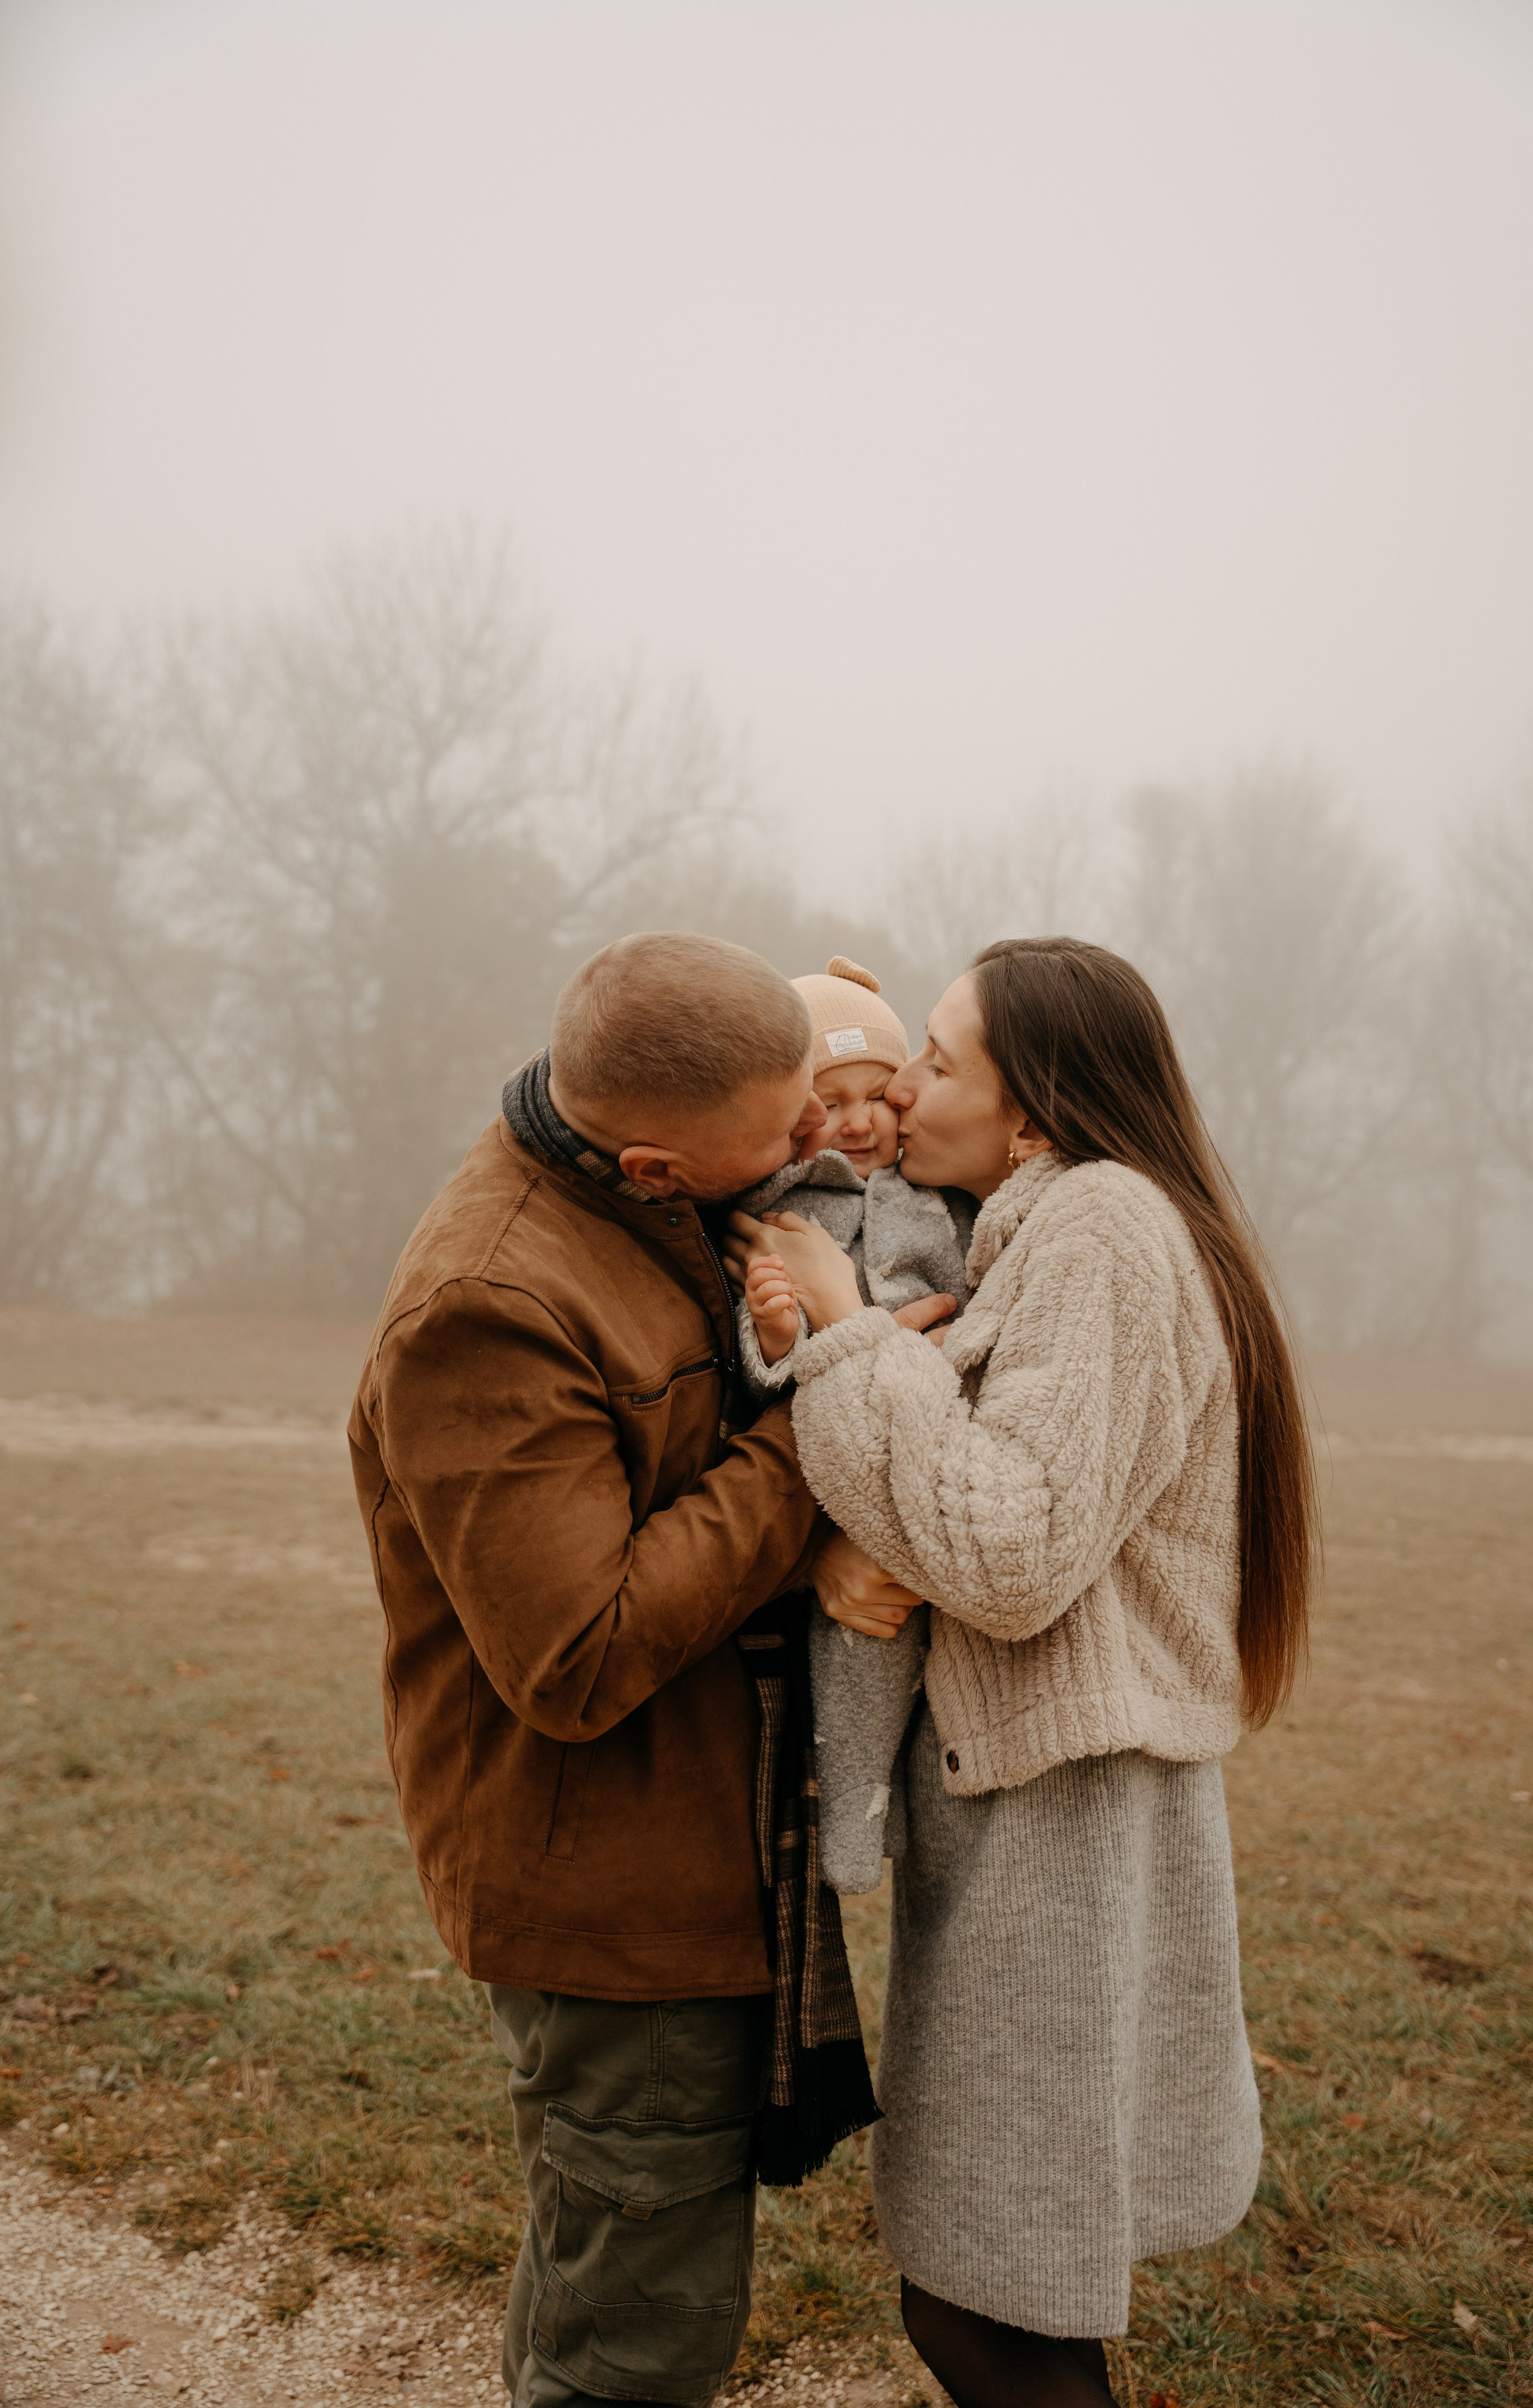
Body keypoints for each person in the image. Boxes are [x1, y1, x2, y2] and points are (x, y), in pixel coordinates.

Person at [725, 936, 1316, 2408]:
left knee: (980, 2305)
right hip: (1035, 1803)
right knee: (1004, 2291)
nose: (901, 1088)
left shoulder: (1102, 1229)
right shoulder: (1037, 1227)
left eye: (933, 1058)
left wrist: (853, 1339)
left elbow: (1009, 1550)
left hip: (1064, 1821)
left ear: (1034, 1110)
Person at [347, 931, 917, 2408]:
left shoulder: (656, 1195)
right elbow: (577, 1655)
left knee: (599, 2269)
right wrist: (821, 1424)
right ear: (656, 1163)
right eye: (788, 1123)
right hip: (605, 1888)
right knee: (636, 2340)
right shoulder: (486, 1307)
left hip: (688, 1854)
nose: (821, 1136)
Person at [730, 953, 971, 1893]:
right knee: (855, 1651)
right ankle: (850, 1831)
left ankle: (895, 1812)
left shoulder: (933, 1192)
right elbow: (758, 1363)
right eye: (833, 1100)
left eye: (881, 1092)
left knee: (913, 1648)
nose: (862, 1120)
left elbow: (971, 1297)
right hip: (825, 1464)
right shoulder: (781, 1211)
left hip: (925, 1439)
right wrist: (779, 1333)